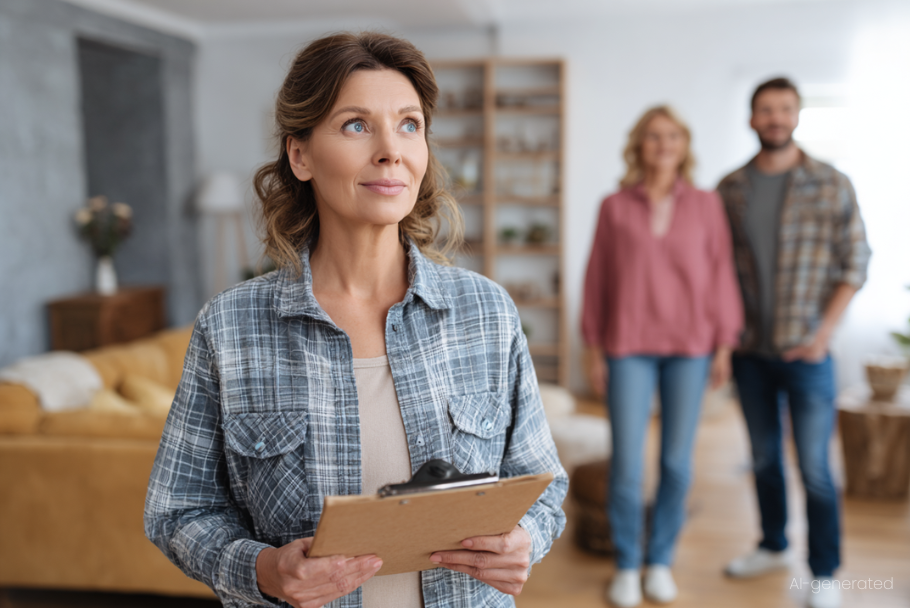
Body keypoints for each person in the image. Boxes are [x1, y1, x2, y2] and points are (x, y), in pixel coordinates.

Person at [144, 32, 567, 608]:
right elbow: (178, 509)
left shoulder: (487, 311)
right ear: (300, 155)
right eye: (356, 125)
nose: (391, 149)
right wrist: (265, 570)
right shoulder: (231, 326)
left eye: (409, 124)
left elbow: (543, 486)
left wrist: (528, 539)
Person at [718, 77, 870, 608]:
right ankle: (773, 543)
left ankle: (824, 571)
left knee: (816, 468)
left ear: (798, 116)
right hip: (750, 353)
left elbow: (857, 261)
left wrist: (824, 333)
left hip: (810, 354)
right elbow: (719, 270)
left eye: (785, 109)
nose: (776, 118)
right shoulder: (730, 189)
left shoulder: (831, 183)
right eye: (766, 109)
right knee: (763, 459)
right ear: (752, 118)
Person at [582, 106, 743, 607]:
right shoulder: (613, 206)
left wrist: (724, 344)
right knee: (628, 465)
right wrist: (594, 348)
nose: (663, 144)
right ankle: (628, 563)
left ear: (684, 144)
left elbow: (720, 274)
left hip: (691, 347)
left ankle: (661, 561)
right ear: (640, 145)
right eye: (653, 136)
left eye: (672, 135)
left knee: (676, 463)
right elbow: (597, 279)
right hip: (627, 345)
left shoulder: (706, 204)